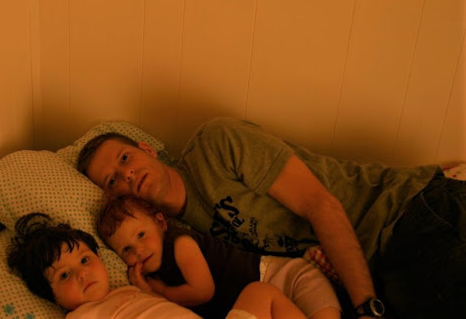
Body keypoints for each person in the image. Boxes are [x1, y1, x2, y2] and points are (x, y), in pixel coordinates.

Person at [76, 117, 466, 319]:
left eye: (125, 158)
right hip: (375, 271)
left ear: (147, 149)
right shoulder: (174, 241)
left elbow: (321, 205)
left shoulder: (215, 144)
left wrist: (367, 308)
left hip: (403, 212)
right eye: (112, 180)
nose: (127, 174)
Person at [7, 212, 307, 319]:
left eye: (85, 260)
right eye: (64, 275)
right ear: (53, 298)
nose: (82, 273)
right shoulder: (82, 316)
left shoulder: (129, 291)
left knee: (260, 292)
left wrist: (148, 290)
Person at [98, 195, 340, 319]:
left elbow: (203, 291)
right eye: (126, 250)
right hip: (265, 305)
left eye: (141, 235)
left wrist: (158, 292)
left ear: (161, 223)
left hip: (287, 278)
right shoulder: (153, 275)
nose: (138, 251)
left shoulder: (180, 243)